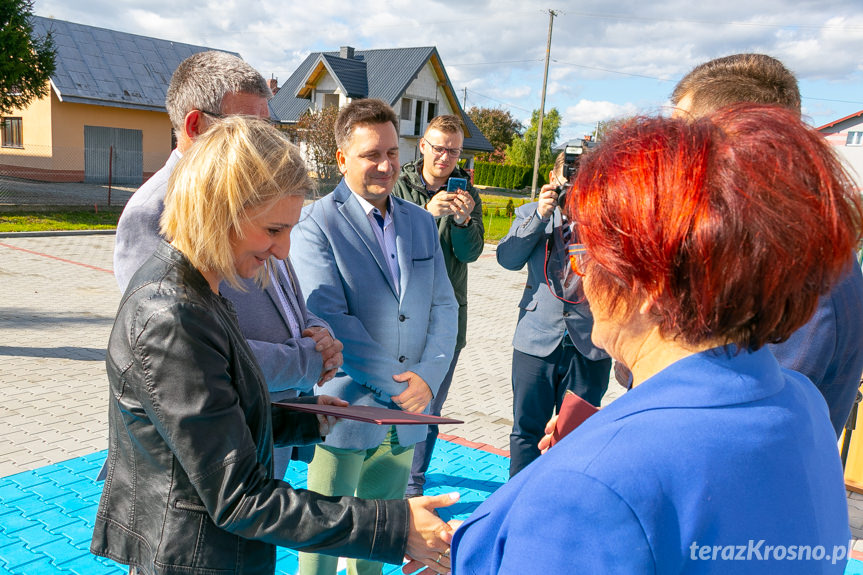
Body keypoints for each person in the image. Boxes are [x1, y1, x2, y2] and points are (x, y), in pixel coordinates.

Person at [451, 106, 860, 573]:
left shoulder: (584, 492)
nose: (581, 280)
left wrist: (604, 461)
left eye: (587, 256)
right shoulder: (800, 400)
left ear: (649, 284)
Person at [91, 117, 457, 575]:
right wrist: (393, 527)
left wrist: (300, 419)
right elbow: (240, 497)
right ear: (220, 211)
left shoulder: (199, 288)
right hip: (193, 557)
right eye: (272, 230)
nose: (284, 251)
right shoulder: (173, 316)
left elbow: (214, 415)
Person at [112, 51, 341, 479]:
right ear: (196, 126)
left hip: (262, 425)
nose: (263, 143)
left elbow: (285, 294)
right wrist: (307, 361)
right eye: (248, 129)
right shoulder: (153, 212)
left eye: (267, 128)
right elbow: (186, 355)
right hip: (203, 459)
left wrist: (317, 334)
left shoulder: (256, 197)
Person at [290, 99, 459, 575]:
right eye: (371, 155)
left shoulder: (423, 222)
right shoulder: (315, 223)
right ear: (342, 159)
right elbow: (331, 317)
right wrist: (402, 385)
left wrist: (427, 377)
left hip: (406, 414)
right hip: (346, 409)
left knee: (381, 540)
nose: (385, 165)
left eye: (392, 152)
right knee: (323, 539)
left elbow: (445, 307)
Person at [670, 53, 863, 436]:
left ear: (736, 140)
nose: (669, 154)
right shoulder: (760, 241)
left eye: (681, 138)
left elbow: (739, 425)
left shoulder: (801, 269)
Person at [496, 149, 611, 476]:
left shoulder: (606, 217)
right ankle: (517, 503)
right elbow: (508, 259)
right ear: (552, 179)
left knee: (579, 433)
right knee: (526, 430)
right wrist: (541, 216)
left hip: (590, 341)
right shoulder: (531, 212)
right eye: (569, 178)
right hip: (536, 337)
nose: (574, 186)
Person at [391, 114, 485, 496]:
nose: (446, 157)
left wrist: (463, 222)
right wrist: (425, 217)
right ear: (423, 147)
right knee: (393, 402)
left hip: (447, 318)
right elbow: (389, 246)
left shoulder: (469, 195)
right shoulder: (398, 186)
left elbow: (472, 254)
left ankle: (412, 485)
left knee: (428, 406)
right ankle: (383, 476)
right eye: (439, 148)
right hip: (398, 312)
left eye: (454, 151)